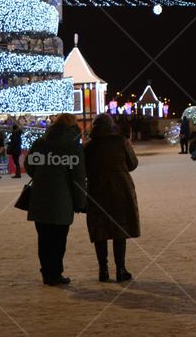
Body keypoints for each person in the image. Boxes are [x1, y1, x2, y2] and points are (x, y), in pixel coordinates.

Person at [25, 113, 87, 286]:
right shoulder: (73, 146)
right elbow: (78, 176)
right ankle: (56, 273)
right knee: (59, 239)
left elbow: (30, 167)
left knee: (43, 239)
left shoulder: (41, 142)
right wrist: (81, 202)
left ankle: (47, 273)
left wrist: (42, 175)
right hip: (62, 199)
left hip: (40, 198)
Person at [84, 113, 139, 283]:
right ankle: (120, 269)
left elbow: (83, 169)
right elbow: (132, 164)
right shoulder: (120, 142)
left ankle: (103, 270)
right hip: (120, 189)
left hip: (97, 190)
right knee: (119, 229)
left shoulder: (88, 147)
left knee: (100, 231)